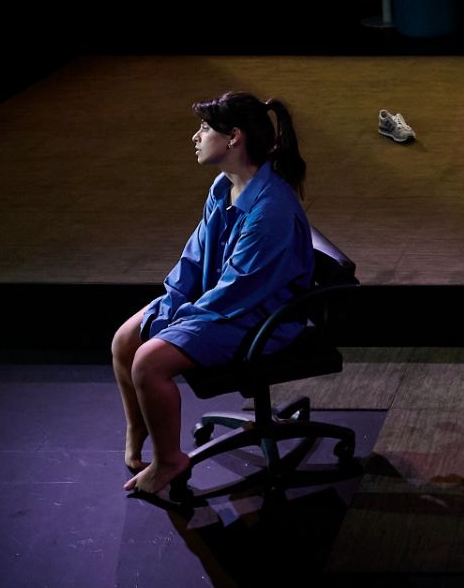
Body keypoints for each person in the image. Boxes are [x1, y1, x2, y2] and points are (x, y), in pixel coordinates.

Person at [112, 91, 314, 497]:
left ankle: (169, 461)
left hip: (256, 317)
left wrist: (178, 321)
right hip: (219, 305)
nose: (196, 137)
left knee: (148, 363)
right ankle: (140, 426)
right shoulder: (223, 187)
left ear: (234, 137)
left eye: (204, 129)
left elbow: (239, 291)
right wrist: (173, 305)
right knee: (124, 340)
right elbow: (193, 260)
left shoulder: (270, 209)